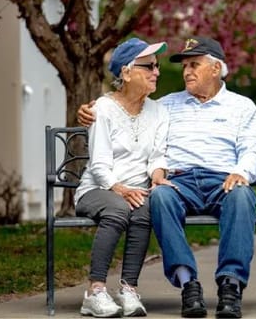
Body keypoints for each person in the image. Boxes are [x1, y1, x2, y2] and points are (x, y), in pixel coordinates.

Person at [78, 36, 256, 319]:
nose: (187, 71)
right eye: (184, 66)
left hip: (224, 180)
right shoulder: (166, 105)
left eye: (195, 64)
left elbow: (254, 149)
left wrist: (242, 172)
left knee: (242, 195)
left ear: (215, 69)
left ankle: (231, 285)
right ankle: (187, 283)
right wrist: (86, 112)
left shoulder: (242, 107)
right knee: (161, 196)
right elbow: (127, 106)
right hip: (179, 182)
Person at [75, 37, 173, 318]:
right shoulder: (101, 109)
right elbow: (99, 164)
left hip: (134, 191)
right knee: (120, 207)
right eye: (149, 66)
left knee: (143, 208)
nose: (157, 72)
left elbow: (157, 155)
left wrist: (156, 178)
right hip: (97, 189)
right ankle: (94, 292)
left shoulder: (159, 111)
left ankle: (129, 289)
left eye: (157, 66)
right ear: (126, 72)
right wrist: (119, 188)